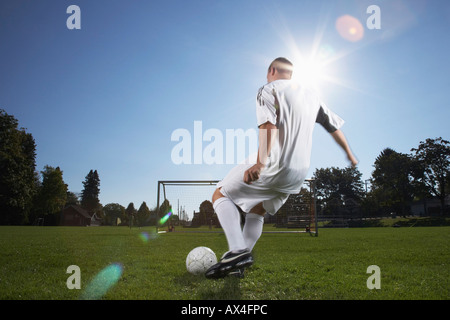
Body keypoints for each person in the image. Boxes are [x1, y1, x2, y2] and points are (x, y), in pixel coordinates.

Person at [205, 57, 358, 279]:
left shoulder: (268, 89)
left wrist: (261, 162)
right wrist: (349, 154)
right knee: (258, 209)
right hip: (298, 174)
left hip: (275, 164)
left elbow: (269, 125)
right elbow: (334, 128)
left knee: (220, 193)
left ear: (272, 70)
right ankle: (239, 264)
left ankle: (237, 251)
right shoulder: (312, 96)